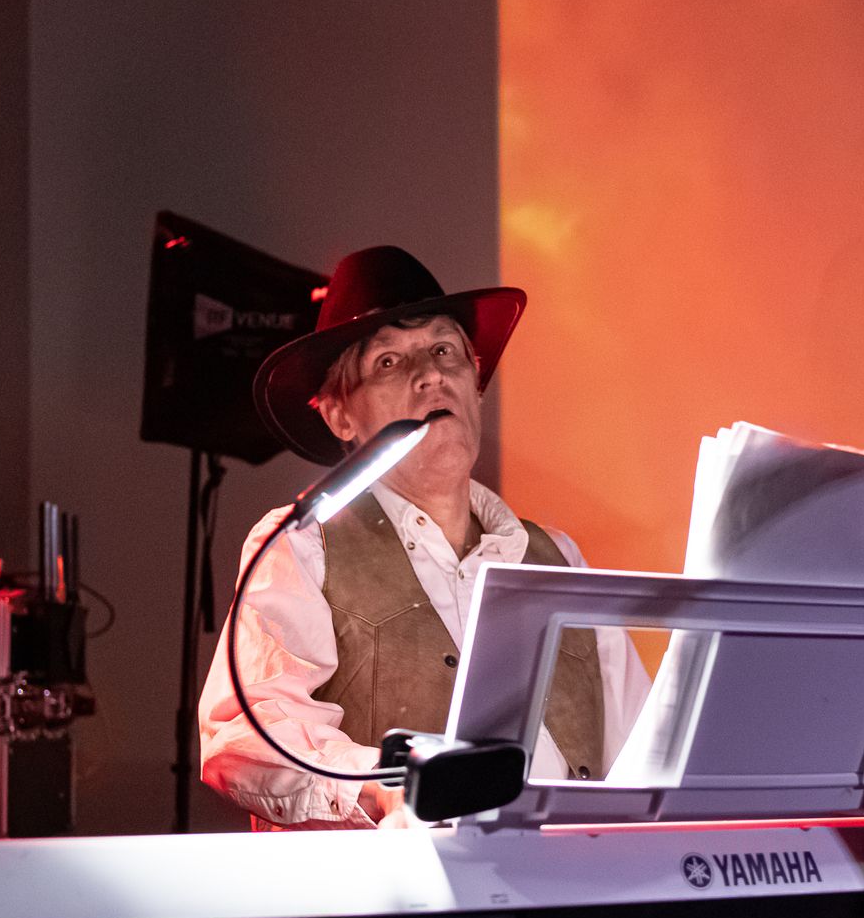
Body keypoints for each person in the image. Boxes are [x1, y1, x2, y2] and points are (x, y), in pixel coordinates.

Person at [197, 245, 651, 830]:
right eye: (389, 361)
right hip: (393, 887)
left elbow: (642, 750)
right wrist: (383, 787)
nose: (430, 374)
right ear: (338, 415)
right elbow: (248, 735)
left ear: (475, 383)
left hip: (566, 881)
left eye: (444, 351)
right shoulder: (303, 544)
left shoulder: (557, 558)